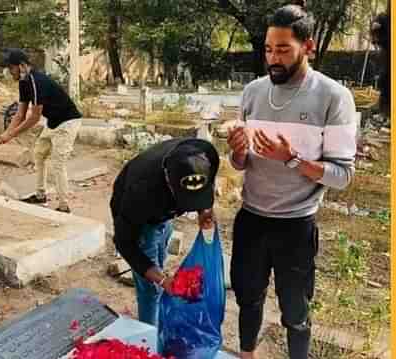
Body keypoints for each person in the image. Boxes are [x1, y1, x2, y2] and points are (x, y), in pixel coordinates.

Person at [226, 2, 357, 358]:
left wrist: (293, 160)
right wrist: (237, 152)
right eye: (269, 49)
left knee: (296, 315)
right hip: (250, 219)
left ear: (308, 47)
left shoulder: (334, 97)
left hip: (295, 226)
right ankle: (247, 353)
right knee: (248, 300)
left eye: (283, 50)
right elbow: (241, 163)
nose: (273, 58)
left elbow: (343, 176)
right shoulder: (253, 92)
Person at [110, 138, 219, 326]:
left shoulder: (202, 156)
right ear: (168, 181)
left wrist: (205, 213)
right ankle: (150, 335)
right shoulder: (141, 191)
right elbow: (124, 243)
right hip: (140, 223)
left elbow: (201, 188)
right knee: (151, 287)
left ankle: (162, 315)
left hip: (162, 214)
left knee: (162, 251)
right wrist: (162, 280)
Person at [0, 48, 83, 213]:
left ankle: (64, 206)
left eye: (11, 67)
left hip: (68, 122)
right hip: (53, 121)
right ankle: (41, 195)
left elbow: (33, 118)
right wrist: (5, 136)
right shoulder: (23, 82)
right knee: (39, 154)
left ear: (22, 66)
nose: (8, 71)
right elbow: (20, 114)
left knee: (58, 163)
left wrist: (10, 134)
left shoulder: (36, 81)